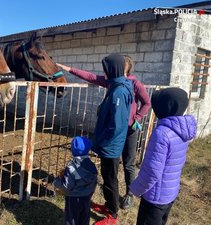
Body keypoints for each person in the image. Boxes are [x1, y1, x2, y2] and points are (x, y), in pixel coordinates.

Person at [57, 53, 133, 225]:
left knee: (110, 179)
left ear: (113, 69)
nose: (103, 72)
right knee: (107, 177)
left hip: (110, 147)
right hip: (109, 144)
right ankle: (109, 206)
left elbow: (117, 125)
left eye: (106, 69)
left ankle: (112, 215)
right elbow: (91, 77)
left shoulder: (119, 92)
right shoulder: (116, 85)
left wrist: (102, 143)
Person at [130, 87, 197, 225]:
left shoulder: (162, 134)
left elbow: (152, 171)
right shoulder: (183, 130)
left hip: (155, 197)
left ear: (164, 108)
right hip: (170, 193)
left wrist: (136, 188)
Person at [120, 56, 151, 209]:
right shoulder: (114, 82)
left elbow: (147, 102)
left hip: (130, 130)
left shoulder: (135, 83)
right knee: (111, 160)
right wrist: (69, 69)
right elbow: (92, 77)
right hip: (116, 129)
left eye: (120, 65)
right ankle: (110, 191)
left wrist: (136, 118)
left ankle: (129, 193)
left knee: (128, 163)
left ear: (126, 68)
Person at [53, 136, 98, 225]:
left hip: (73, 199)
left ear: (72, 150)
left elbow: (66, 187)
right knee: (84, 218)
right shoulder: (92, 166)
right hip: (86, 198)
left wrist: (57, 181)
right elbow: (94, 182)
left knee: (71, 219)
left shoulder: (71, 167)